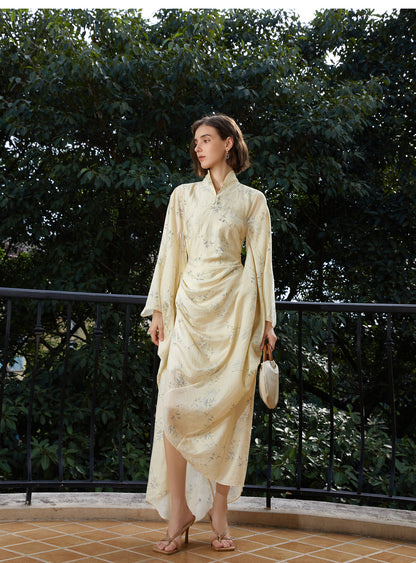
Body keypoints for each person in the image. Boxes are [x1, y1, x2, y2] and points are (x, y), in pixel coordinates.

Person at [141, 113, 277, 555]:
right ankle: (179, 511)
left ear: (228, 143)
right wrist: (158, 310)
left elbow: (261, 264)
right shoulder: (183, 196)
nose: (198, 148)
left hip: (234, 315)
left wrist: (267, 323)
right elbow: (169, 253)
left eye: (206, 139)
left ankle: (219, 512)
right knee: (172, 406)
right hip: (189, 311)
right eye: (196, 141)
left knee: (230, 411)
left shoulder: (252, 201)